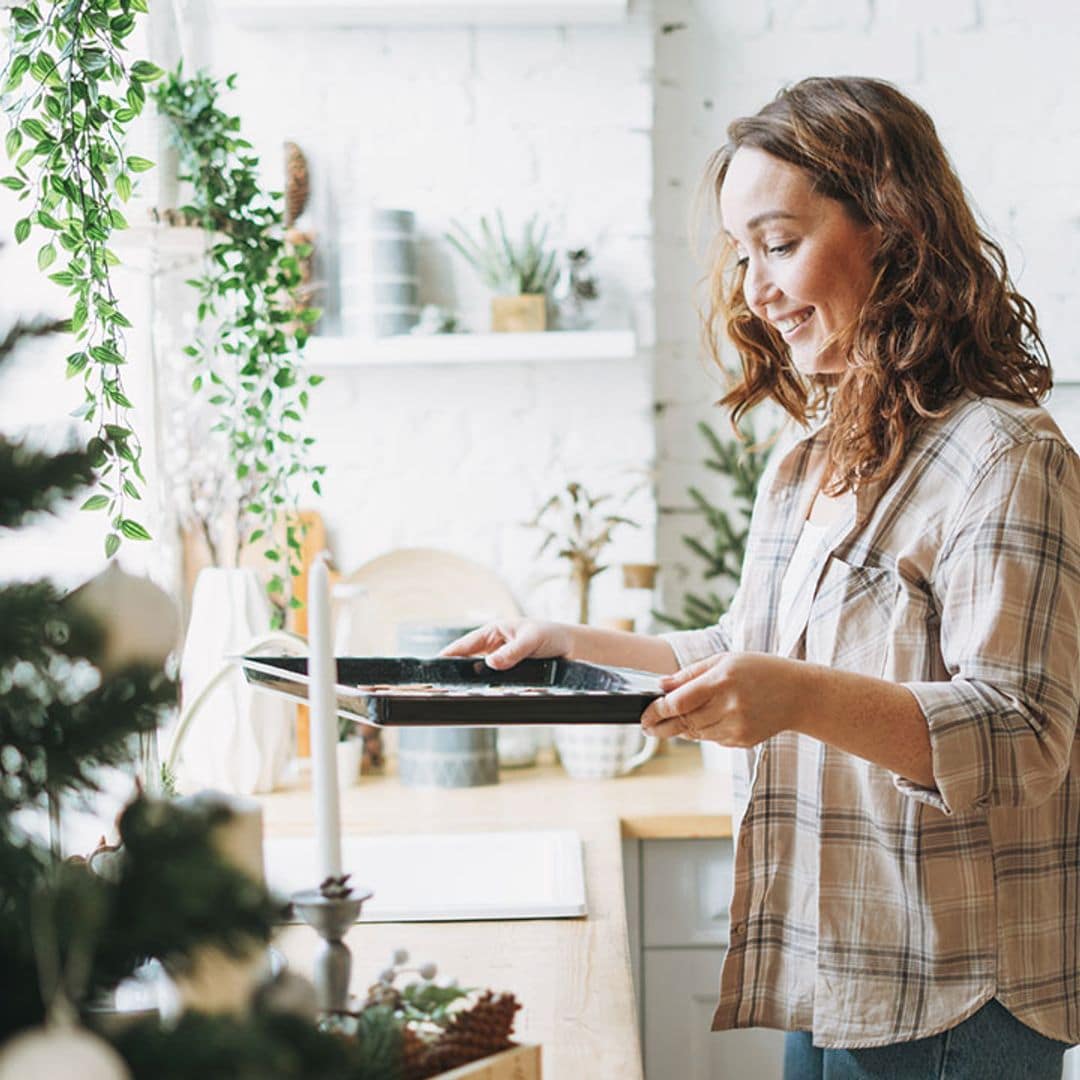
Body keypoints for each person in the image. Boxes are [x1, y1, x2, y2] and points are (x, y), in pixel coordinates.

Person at [443, 76, 1080, 1078]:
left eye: (779, 243)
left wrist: (790, 698)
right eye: (745, 255)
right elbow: (749, 652)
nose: (756, 287)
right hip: (834, 962)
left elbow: (1022, 736)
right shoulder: (808, 462)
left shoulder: (1005, 456)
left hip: (957, 986)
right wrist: (567, 643)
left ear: (893, 229)